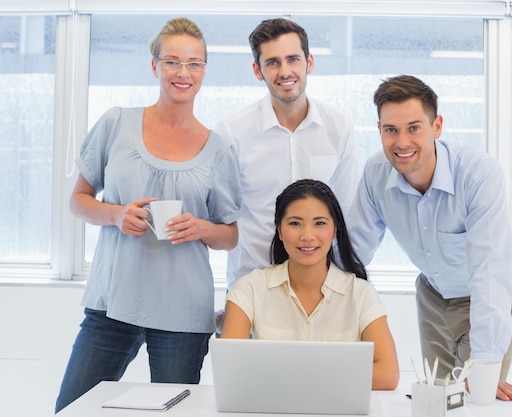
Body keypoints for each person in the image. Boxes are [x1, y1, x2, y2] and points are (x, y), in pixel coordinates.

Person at [54, 17, 241, 413]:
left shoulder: (219, 149)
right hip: (114, 301)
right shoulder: (116, 123)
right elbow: (78, 200)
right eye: (172, 61)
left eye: (194, 63)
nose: (183, 72)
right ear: (154, 66)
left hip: (183, 313)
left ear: (204, 71)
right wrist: (117, 214)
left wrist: (202, 227)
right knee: (70, 409)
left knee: (175, 412)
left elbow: (230, 235)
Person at [348, 75, 512, 401]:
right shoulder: (375, 173)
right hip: (432, 298)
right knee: (436, 402)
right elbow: (353, 252)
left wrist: (486, 362)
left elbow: (490, 272)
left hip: (483, 297)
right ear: (379, 131)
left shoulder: (479, 175)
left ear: (437, 126)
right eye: (391, 130)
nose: (402, 142)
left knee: (477, 399)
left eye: (414, 127)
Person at [212, 18, 359, 294]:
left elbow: (346, 212)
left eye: (293, 59)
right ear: (258, 70)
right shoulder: (231, 133)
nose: (285, 71)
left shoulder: (338, 127)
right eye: (273, 62)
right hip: (253, 285)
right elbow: (221, 220)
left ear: (309, 62)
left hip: (321, 286)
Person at [220, 179, 399, 390]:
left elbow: (387, 374)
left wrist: (296, 378)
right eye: (295, 223)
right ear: (279, 230)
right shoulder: (249, 289)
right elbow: (230, 371)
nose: (307, 236)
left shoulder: (360, 293)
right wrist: (334, 377)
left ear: (334, 231)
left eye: (320, 223)